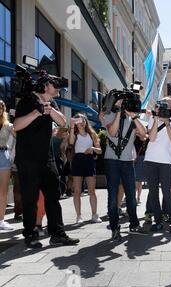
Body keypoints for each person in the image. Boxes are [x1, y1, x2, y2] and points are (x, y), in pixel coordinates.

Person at [13, 75, 80, 249]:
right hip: (27, 159)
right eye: (54, 85)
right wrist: (36, 112)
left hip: (47, 158)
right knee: (30, 198)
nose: (58, 89)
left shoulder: (52, 104)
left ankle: (57, 234)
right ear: (44, 86)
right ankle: (31, 234)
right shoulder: (27, 101)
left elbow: (62, 121)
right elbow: (17, 126)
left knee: (53, 196)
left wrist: (49, 109)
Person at [104, 99, 148, 241]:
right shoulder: (110, 115)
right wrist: (117, 112)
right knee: (112, 195)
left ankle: (134, 225)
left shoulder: (132, 119)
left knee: (131, 195)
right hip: (112, 161)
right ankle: (115, 227)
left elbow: (144, 134)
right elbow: (112, 132)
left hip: (128, 162)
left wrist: (134, 116)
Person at [145, 98, 171, 234]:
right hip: (150, 160)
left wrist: (167, 123)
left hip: (166, 162)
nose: (164, 107)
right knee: (153, 193)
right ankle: (158, 222)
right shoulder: (153, 119)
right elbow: (152, 138)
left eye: (167, 105)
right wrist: (156, 118)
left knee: (167, 192)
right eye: (162, 105)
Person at [69, 113, 102, 224]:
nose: (81, 123)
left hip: (89, 161)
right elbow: (71, 142)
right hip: (77, 161)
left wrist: (92, 148)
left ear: (86, 122)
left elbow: (99, 150)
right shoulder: (74, 133)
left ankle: (94, 215)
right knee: (77, 191)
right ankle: (78, 216)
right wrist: (72, 126)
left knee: (92, 191)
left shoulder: (92, 134)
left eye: (83, 120)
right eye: (78, 121)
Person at [0, 100, 14, 231]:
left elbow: (20, 136)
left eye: (0, 107)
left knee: (3, 191)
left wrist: (11, 152)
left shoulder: (8, 125)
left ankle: (1, 220)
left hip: (3, 155)